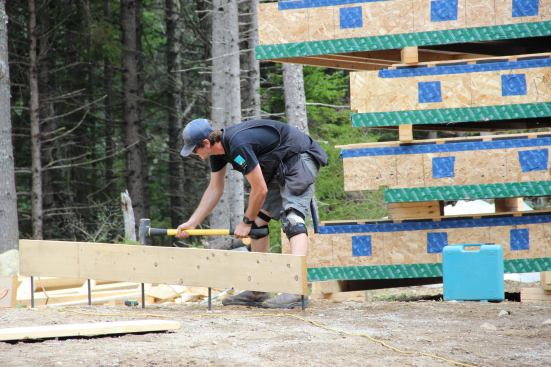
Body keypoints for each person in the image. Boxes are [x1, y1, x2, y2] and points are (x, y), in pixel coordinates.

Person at [176, 118, 327, 309]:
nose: (194, 155)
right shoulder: (218, 154)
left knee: (292, 220)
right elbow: (215, 189)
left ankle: (297, 290)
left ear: (206, 143)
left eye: (194, 150)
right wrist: (192, 222)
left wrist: (245, 221)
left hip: (299, 159)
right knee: (257, 224)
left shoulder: (238, 144)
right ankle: (258, 289)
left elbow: (260, 190)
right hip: (278, 167)